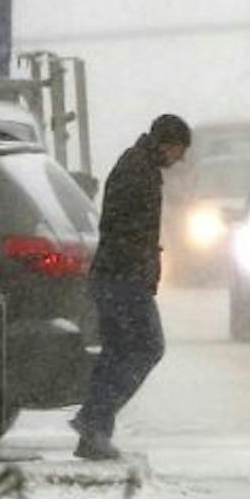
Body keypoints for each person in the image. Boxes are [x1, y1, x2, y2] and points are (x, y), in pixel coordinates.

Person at [72, 114, 191, 461]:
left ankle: (93, 434)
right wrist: (143, 265)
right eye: (180, 150)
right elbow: (125, 228)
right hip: (124, 279)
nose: (180, 159)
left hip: (117, 276)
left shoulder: (137, 165)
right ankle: (92, 419)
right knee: (147, 347)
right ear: (166, 144)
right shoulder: (138, 171)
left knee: (117, 352)